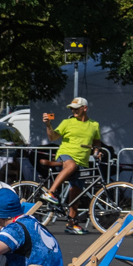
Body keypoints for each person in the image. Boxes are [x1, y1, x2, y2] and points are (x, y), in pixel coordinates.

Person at [41, 97, 101, 234]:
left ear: (84, 108)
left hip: (83, 160)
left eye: (76, 108)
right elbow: (53, 137)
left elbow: (97, 141)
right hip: (66, 155)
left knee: (76, 194)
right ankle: (50, 192)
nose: (73, 110)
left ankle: (72, 224)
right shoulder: (67, 122)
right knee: (71, 166)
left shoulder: (94, 125)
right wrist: (48, 125)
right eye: (71, 108)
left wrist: (97, 151)